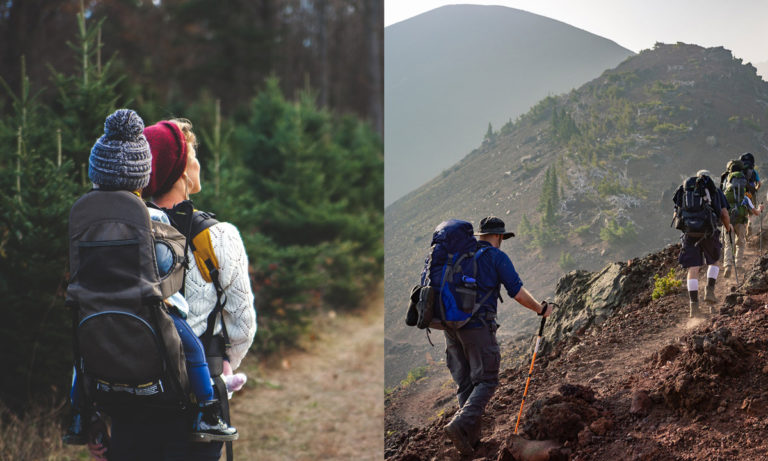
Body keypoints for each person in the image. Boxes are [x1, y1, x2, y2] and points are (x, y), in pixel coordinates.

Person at [63, 109, 237, 451]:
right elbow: (165, 263)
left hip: (94, 307)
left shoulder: (85, 217)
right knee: (192, 346)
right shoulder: (151, 217)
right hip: (147, 305)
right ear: (142, 178)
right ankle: (207, 410)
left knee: (81, 356)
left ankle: (78, 415)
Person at [443, 216, 552, 456]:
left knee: (466, 383)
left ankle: (471, 443)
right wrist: (541, 309)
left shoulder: (458, 255)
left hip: (450, 327)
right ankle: (459, 425)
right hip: (478, 326)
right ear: (500, 236)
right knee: (487, 380)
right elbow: (517, 293)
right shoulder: (496, 257)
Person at [674, 170, 732, 317]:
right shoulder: (715, 191)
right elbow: (724, 214)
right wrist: (728, 228)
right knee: (713, 262)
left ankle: (694, 306)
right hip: (708, 232)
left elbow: (676, 214)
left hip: (689, 234)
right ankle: (709, 291)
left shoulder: (684, 190)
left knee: (693, 269)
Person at [722, 162, 763, 278]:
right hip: (741, 220)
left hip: (728, 222)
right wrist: (760, 209)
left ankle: (728, 266)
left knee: (728, 244)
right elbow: (755, 212)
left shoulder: (725, 194)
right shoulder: (746, 195)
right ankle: (739, 265)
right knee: (740, 243)